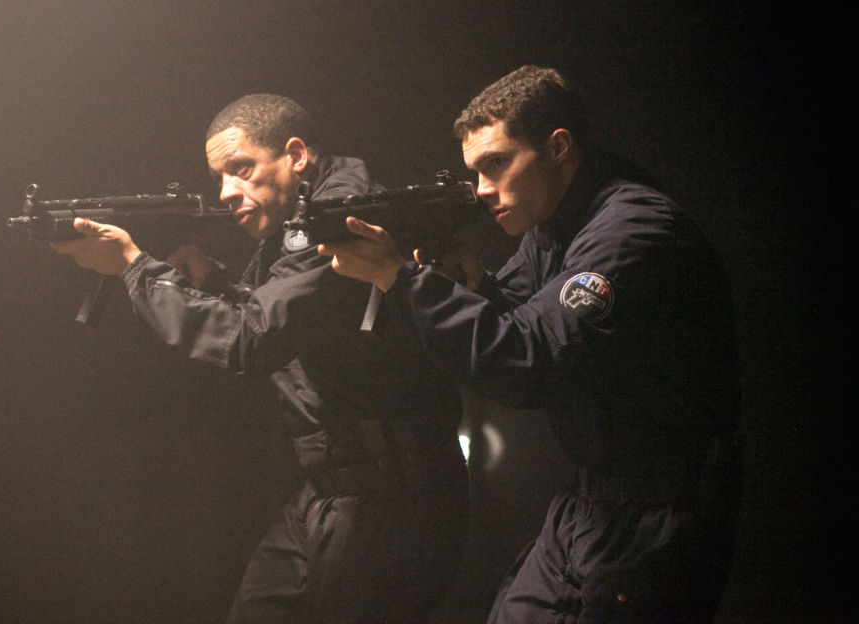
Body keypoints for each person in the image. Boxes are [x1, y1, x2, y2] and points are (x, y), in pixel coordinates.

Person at [320, 66, 743, 623]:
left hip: (656, 518)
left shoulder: (632, 232)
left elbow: (525, 362)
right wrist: (468, 286)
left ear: (559, 147)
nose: (481, 189)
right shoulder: (554, 227)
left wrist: (404, 279)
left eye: (496, 163)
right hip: (593, 504)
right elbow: (513, 318)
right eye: (475, 171)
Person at [51, 93, 468, 624]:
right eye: (219, 177)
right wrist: (209, 282)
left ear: (296, 155)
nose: (227, 192)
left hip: (394, 496)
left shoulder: (344, 224)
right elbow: (272, 315)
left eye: (241, 168)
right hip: (335, 488)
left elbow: (248, 338)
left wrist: (133, 266)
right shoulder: (300, 223)